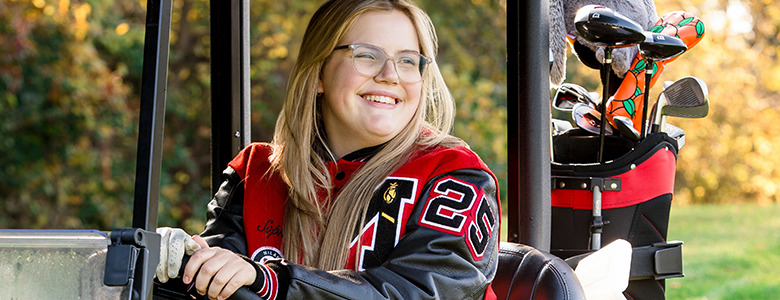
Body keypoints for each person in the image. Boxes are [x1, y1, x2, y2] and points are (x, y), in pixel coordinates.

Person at [155, 0, 500, 299]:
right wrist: (174, 263)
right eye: (367, 56)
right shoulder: (257, 173)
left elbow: (420, 292)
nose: (390, 75)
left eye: (408, 61)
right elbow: (216, 279)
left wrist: (273, 282)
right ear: (319, 73)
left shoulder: (456, 178)